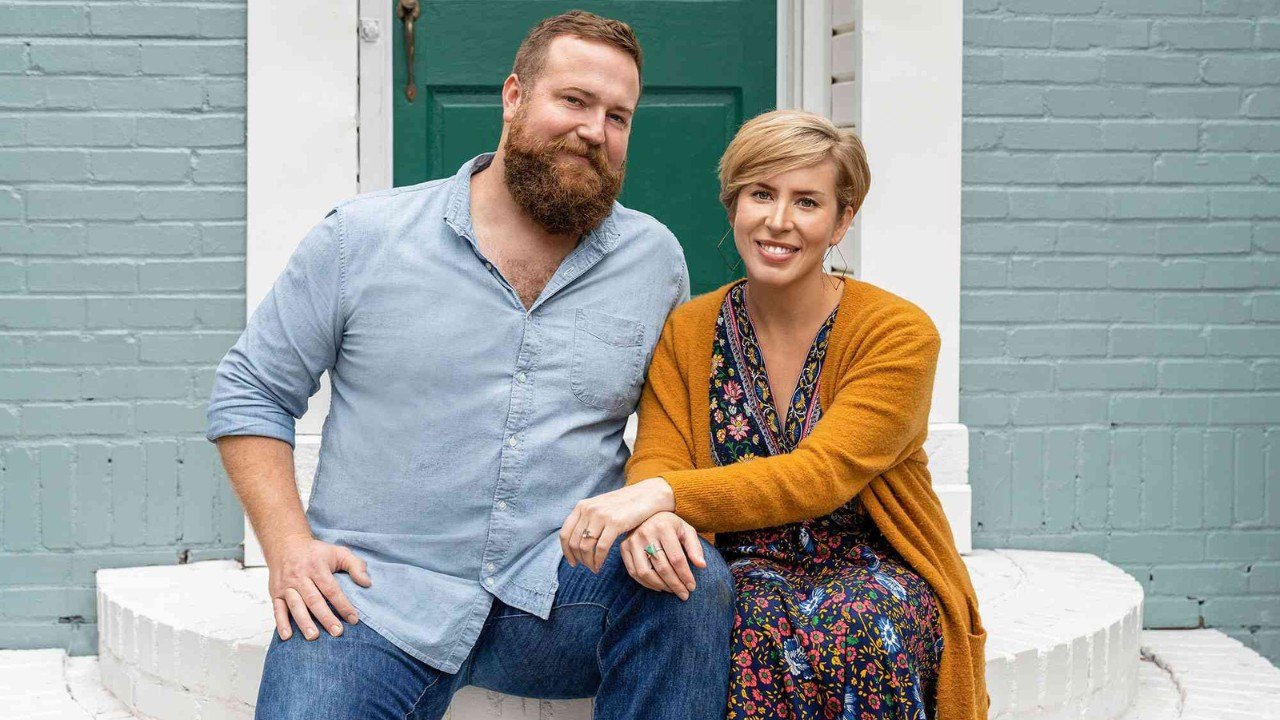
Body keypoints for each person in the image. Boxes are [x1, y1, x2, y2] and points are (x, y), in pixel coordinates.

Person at [205, 12, 734, 720]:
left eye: (618, 116)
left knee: (692, 582)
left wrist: (650, 505)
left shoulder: (654, 259)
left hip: (561, 590)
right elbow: (250, 390)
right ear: (514, 97)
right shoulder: (361, 239)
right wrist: (288, 548)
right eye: (573, 101)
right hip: (375, 600)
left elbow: (671, 420)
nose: (594, 131)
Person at [561, 110, 989, 720]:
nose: (779, 220)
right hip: (735, 564)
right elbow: (661, 452)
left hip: (871, 562)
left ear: (842, 221)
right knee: (729, 615)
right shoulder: (689, 330)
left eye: (807, 202)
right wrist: (654, 515)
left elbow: (822, 474)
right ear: (734, 204)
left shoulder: (896, 333)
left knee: (859, 626)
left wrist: (659, 496)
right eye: (761, 194)